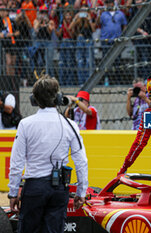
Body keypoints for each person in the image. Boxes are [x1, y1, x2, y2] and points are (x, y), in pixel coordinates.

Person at [8, 75, 88, 233]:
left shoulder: (25, 124)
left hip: (34, 187)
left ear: (34, 99)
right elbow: (81, 161)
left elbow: (17, 161)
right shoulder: (70, 125)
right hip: (59, 188)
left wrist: (12, 192)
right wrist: (81, 192)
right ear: (58, 98)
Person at [70, 5, 95, 85]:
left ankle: (89, 81)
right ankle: (81, 81)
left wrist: (89, 20)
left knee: (88, 61)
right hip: (80, 38)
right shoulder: (78, 19)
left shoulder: (89, 19)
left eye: (85, 11)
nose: (83, 13)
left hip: (89, 39)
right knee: (80, 61)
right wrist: (75, 18)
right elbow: (70, 27)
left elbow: (93, 30)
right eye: (82, 11)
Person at [0, 3, 20, 76]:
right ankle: (8, 78)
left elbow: (18, 32)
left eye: (4, 10)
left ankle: (12, 79)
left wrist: (11, 34)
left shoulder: (12, 21)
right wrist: (6, 34)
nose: (2, 12)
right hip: (5, 44)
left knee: (13, 63)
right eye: (1, 11)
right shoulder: (0, 22)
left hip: (13, 43)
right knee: (8, 62)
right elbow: (1, 35)